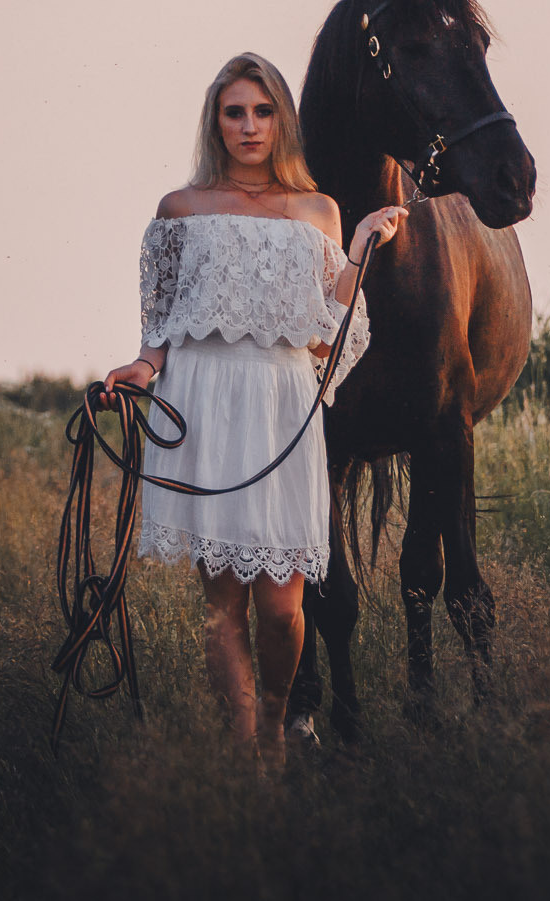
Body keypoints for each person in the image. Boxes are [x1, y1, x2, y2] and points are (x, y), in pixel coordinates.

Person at [101, 52, 405, 771]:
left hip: (278, 402)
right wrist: (139, 368)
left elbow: (330, 335)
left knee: (281, 606)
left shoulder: (317, 211)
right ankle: (250, 759)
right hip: (201, 402)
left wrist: (359, 244)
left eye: (262, 111)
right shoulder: (179, 209)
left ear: (282, 120)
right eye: (234, 111)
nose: (248, 125)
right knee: (222, 607)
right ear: (216, 120)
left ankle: (276, 720)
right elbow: (161, 327)